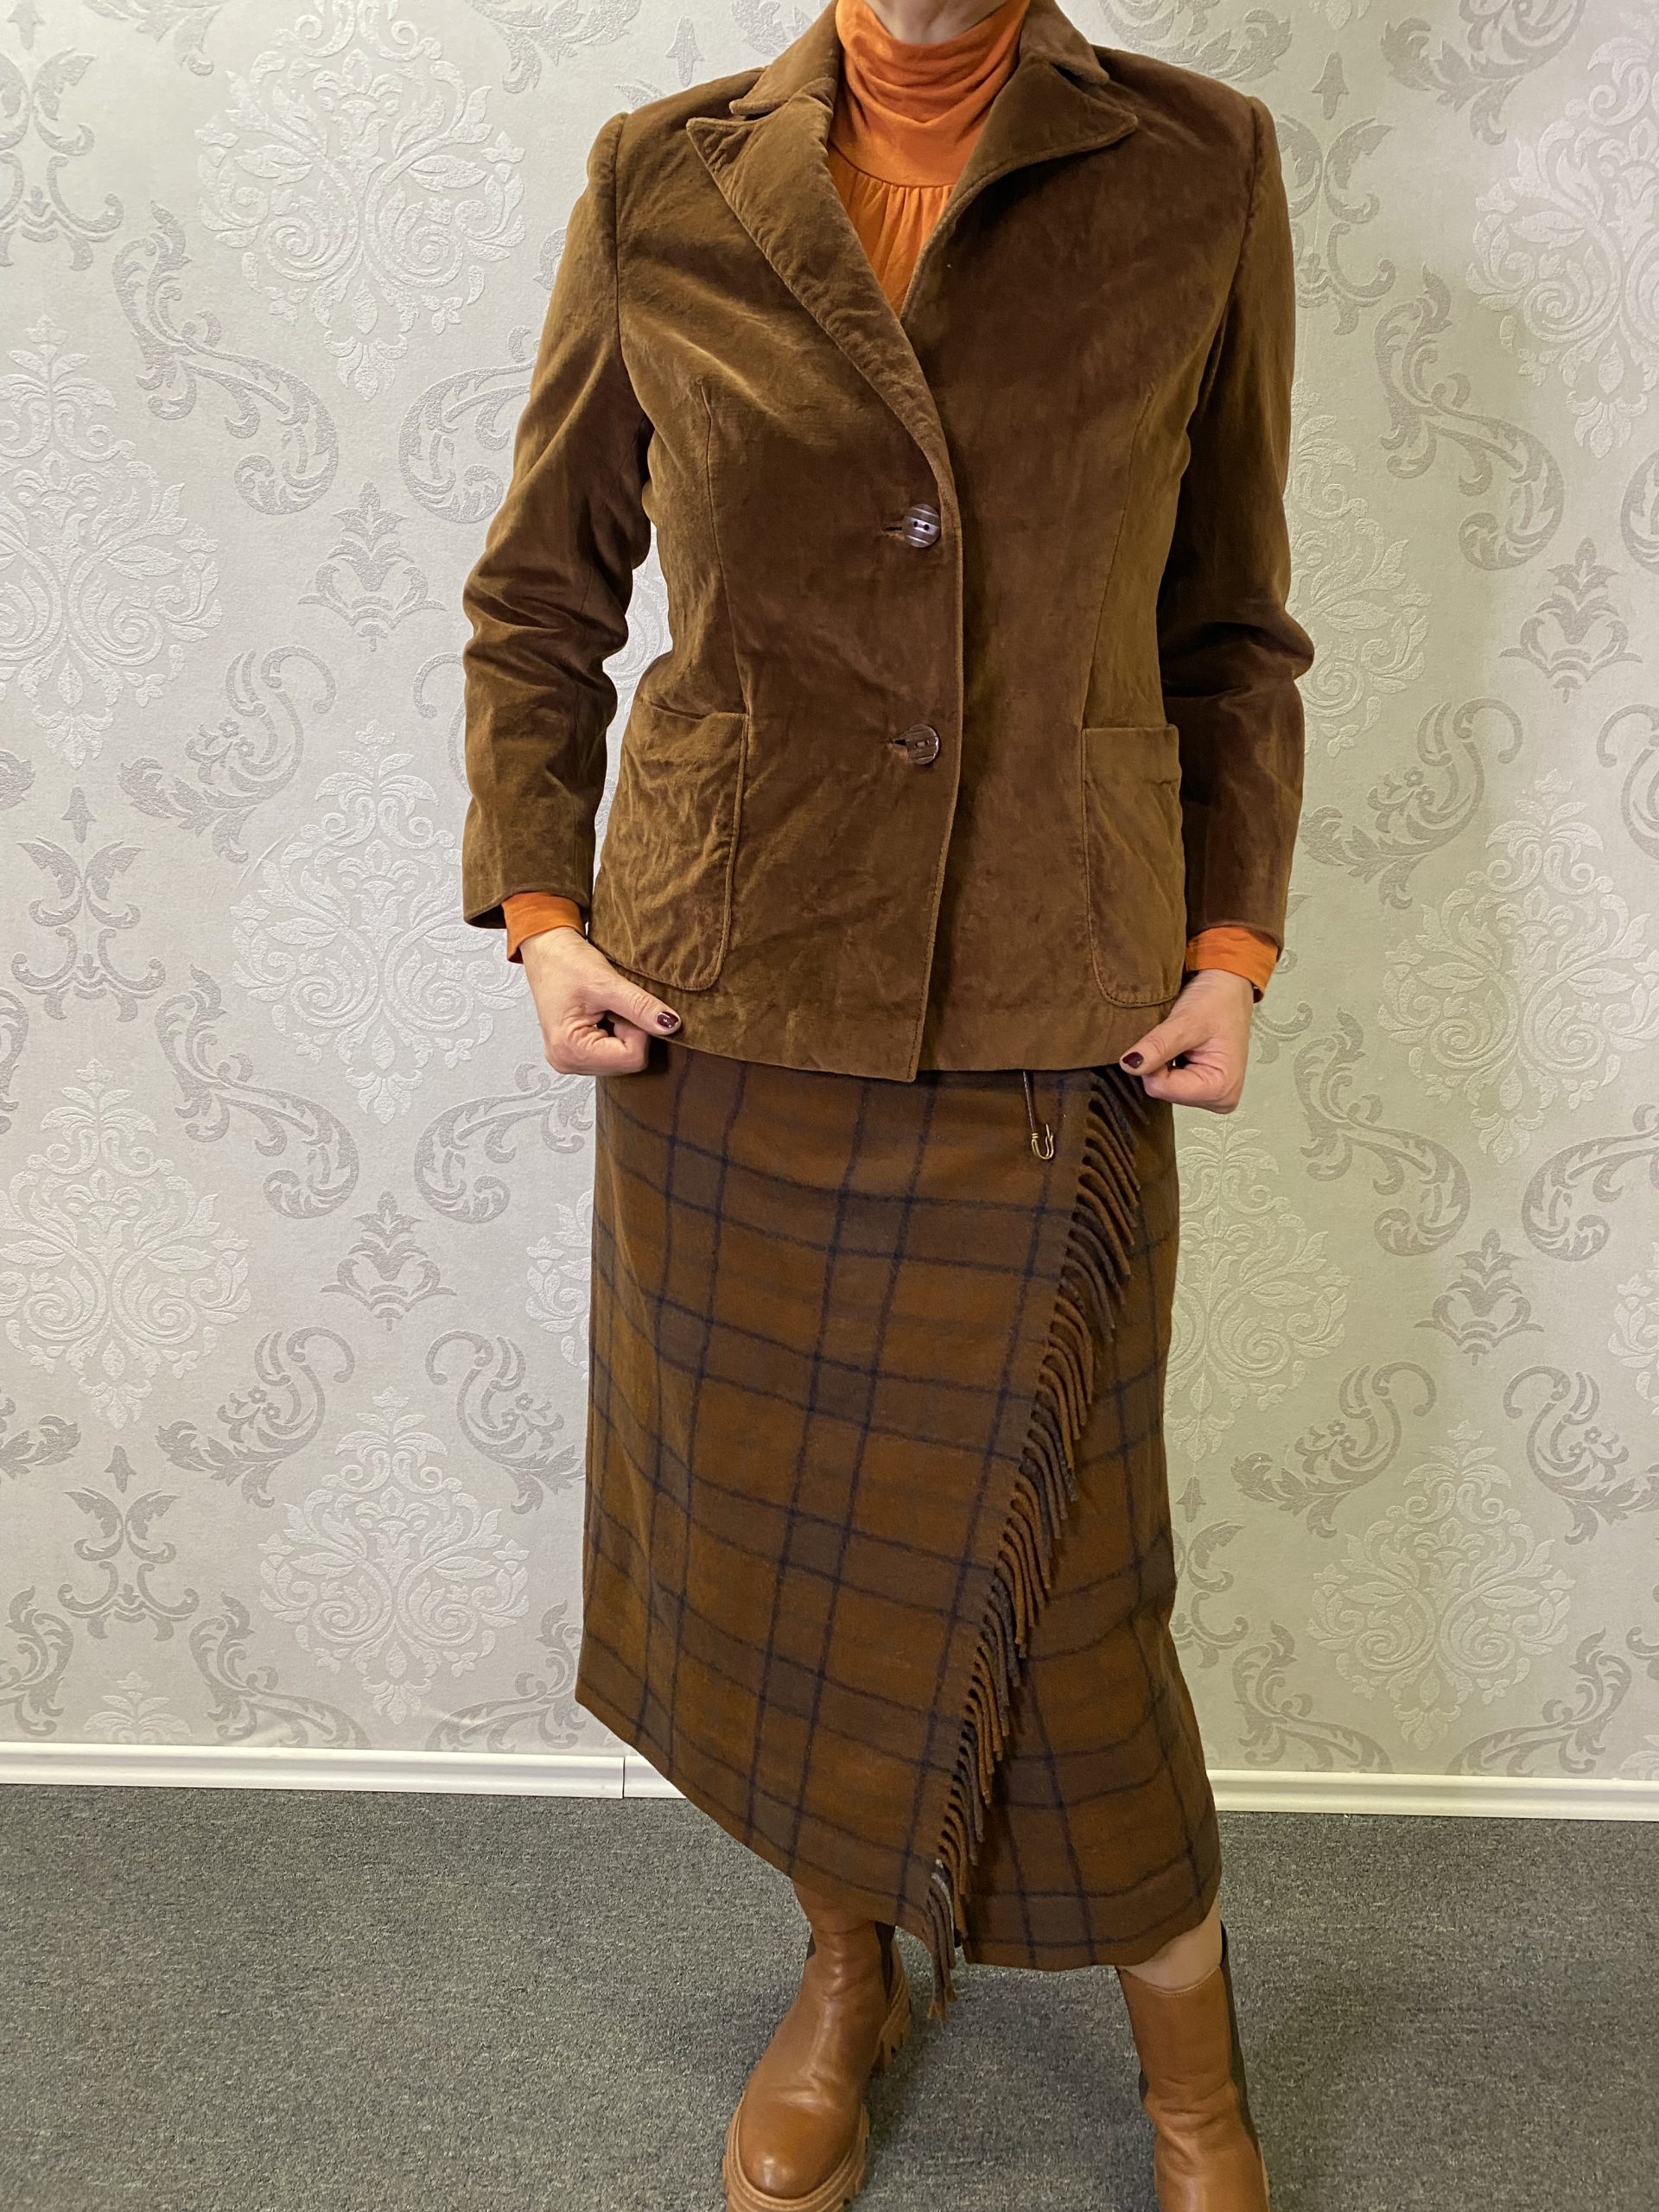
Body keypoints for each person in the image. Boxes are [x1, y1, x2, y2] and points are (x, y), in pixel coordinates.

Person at [458, 0, 1314, 2204]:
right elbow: (542, 596)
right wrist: (542, 907)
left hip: (1056, 994)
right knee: (786, 1564)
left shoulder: (1199, 164)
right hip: (730, 997)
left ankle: (1195, 2078)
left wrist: (1232, 939)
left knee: (1078, 1597)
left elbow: (1230, 622)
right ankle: (847, 1969)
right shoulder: (662, 175)